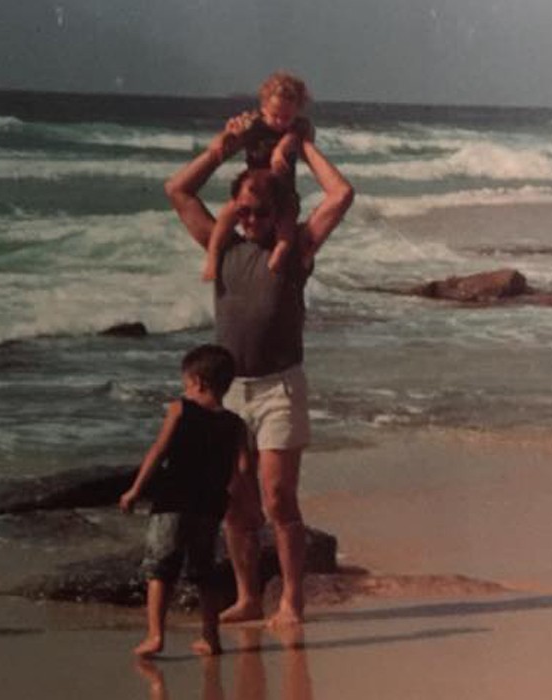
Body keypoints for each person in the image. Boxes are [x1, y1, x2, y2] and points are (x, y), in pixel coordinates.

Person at [165, 101, 354, 627]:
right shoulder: (222, 245)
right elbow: (177, 192)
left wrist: (302, 144)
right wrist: (218, 149)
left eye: (260, 213)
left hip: (278, 390)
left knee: (277, 498)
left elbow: (341, 196)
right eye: (242, 212)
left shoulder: (296, 252)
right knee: (234, 505)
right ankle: (249, 596)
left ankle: (292, 599)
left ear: (280, 214)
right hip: (225, 397)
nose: (249, 221)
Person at [119, 344, 251, 657]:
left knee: (160, 568)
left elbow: (158, 451)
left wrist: (135, 489)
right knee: (204, 573)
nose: (184, 389)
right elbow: (244, 468)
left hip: (172, 501)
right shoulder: (236, 424)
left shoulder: (180, 409)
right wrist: (238, 498)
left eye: (186, 383)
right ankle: (211, 637)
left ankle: (155, 636)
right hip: (210, 506)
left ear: (198, 383)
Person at [201, 71, 313, 282]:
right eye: (275, 115)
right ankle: (212, 259)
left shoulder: (297, 128)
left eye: (287, 117)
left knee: (287, 224)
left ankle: (279, 253)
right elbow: (234, 133)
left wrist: (281, 149)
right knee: (226, 215)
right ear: (263, 108)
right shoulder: (254, 125)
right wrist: (222, 137)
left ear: (297, 111)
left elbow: (299, 135)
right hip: (252, 191)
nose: (280, 121)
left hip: (283, 192)